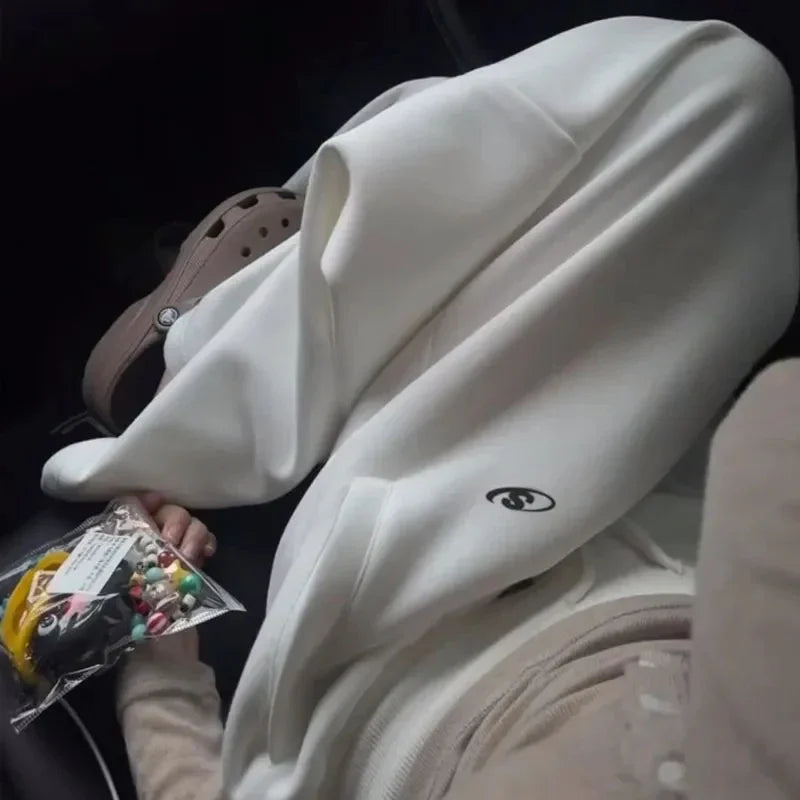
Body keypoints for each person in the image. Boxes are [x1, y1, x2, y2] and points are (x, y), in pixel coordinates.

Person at [40, 16, 799, 800]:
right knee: (725, 88)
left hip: (431, 642)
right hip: (693, 563)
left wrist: (158, 683)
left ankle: (222, 353)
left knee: (712, 88)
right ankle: (291, 296)